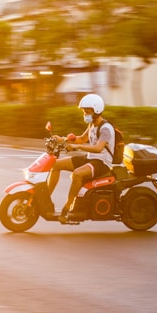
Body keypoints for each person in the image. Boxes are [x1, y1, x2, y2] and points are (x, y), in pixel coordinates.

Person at [48, 93, 114, 223]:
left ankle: (68, 207)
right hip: (91, 159)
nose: (85, 114)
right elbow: (82, 139)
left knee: (77, 174)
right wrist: (63, 139)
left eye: (87, 111)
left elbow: (98, 148)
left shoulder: (106, 128)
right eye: (84, 111)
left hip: (102, 163)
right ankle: (46, 198)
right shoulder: (92, 125)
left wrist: (76, 147)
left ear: (97, 111)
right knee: (55, 165)